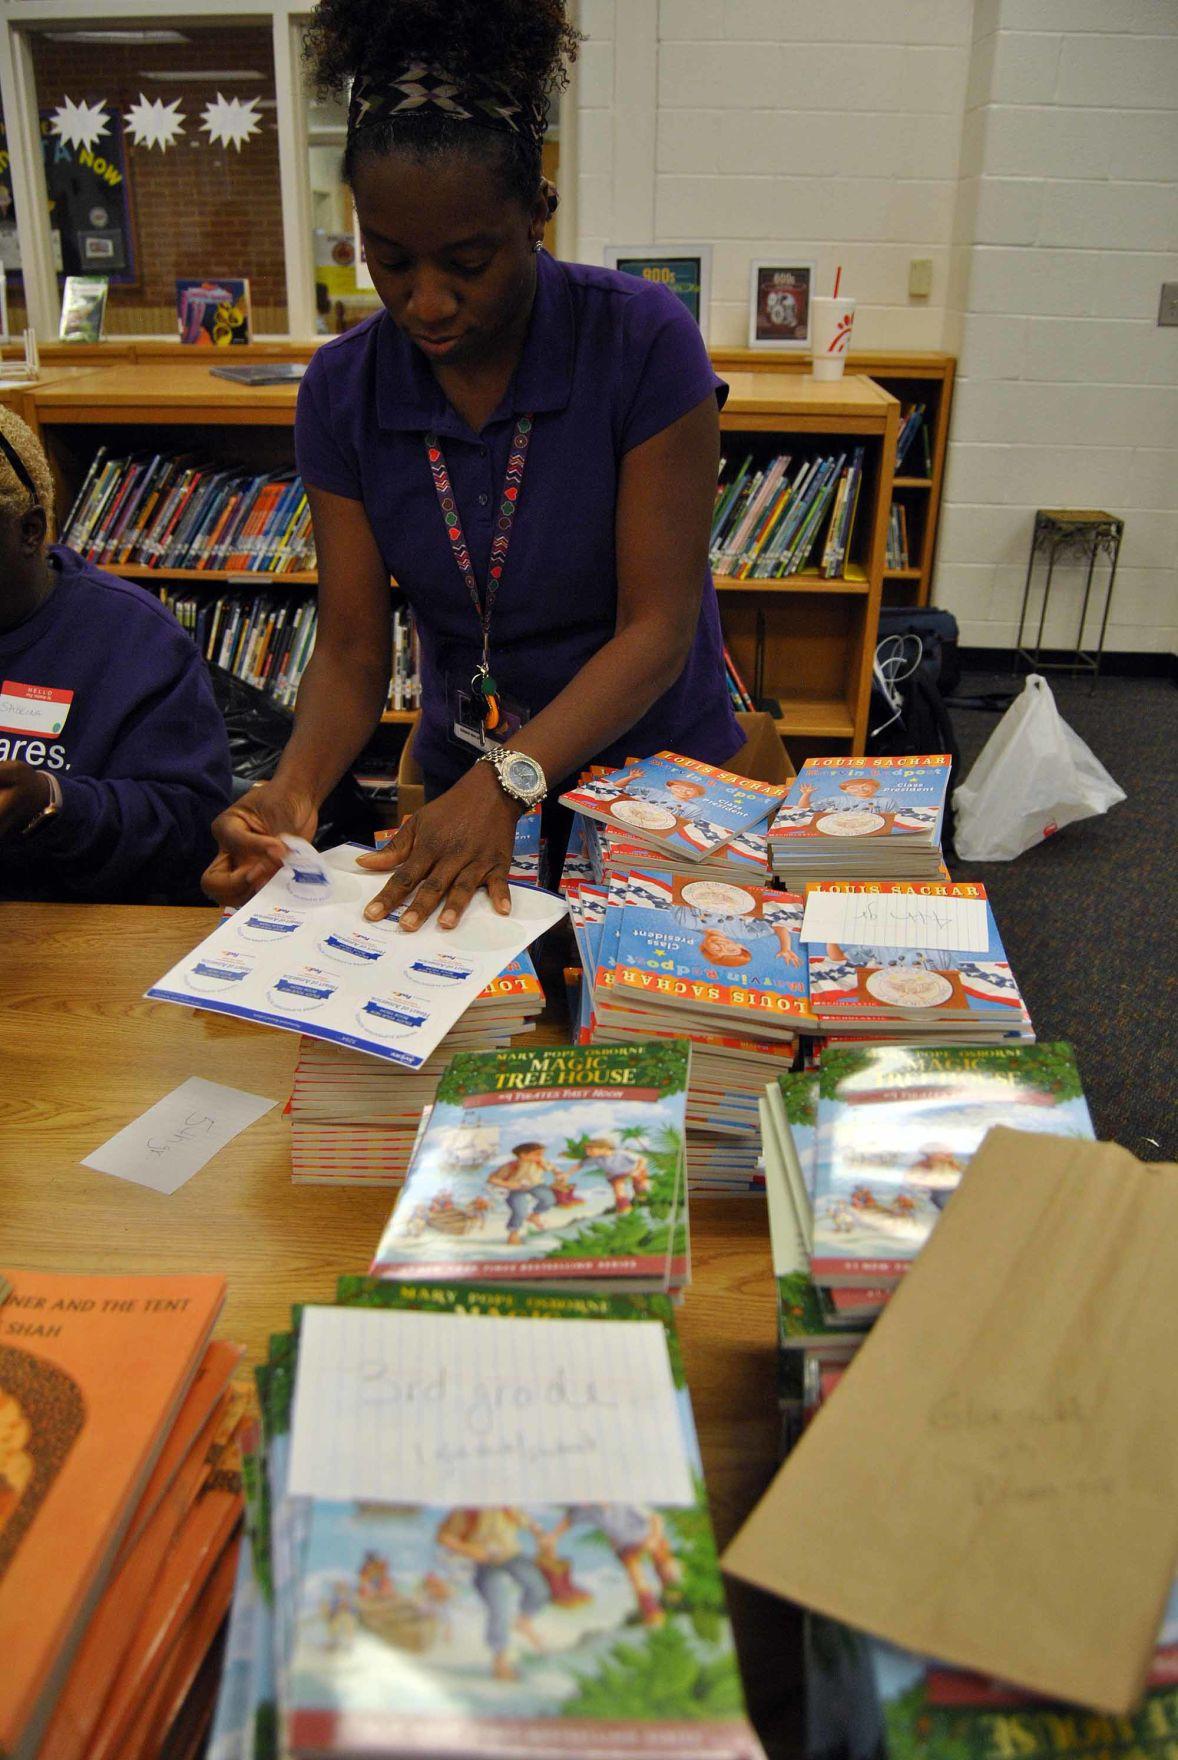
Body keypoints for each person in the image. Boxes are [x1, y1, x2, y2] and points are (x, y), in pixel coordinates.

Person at [203, 0, 741, 931]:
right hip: (467, 787)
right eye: (391, 259)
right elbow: (352, 646)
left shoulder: (643, 340)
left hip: (656, 782)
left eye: (468, 260)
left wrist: (511, 782)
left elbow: (658, 629)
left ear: (538, 211)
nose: (427, 300)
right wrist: (292, 789)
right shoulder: (343, 389)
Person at [0, 407, 231, 902]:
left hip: (81, 935)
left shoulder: (135, 640)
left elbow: (192, 831)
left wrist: (53, 804)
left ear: (30, 532)